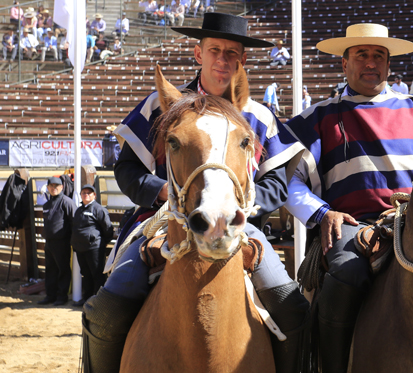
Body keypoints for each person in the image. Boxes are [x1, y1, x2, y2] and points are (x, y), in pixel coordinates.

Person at [82, 13, 309, 373]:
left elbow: (277, 185)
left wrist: (239, 206)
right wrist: (162, 194)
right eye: (214, 50)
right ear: (197, 53)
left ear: (243, 60)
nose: (223, 60)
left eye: (232, 53)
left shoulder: (259, 116)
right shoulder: (161, 106)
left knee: (291, 305)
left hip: (239, 226)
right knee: (105, 311)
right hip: (158, 225)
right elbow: (126, 169)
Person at [282, 23, 413, 373]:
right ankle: (326, 365)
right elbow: (285, 181)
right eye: (361, 55)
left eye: (378, 55)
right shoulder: (317, 117)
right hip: (352, 225)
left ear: (389, 65)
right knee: (348, 272)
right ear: (344, 64)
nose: (370, 63)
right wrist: (321, 215)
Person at [71, 184, 113, 308]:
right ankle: (87, 300)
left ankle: (99, 302)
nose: (86, 195)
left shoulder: (98, 209)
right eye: (84, 192)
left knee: (97, 274)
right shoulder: (79, 210)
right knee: (85, 274)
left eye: (89, 193)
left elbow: (108, 228)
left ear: (94, 195)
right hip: (80, 248)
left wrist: (102, 242)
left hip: (94, 248)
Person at [39, 177, 75, 306]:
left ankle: (62, 296)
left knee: (62, 269)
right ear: (48, 188)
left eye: (56, 186)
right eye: (51, 186)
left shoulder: (67, 202)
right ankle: (50, 295)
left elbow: (74, 222)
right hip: (49, 242)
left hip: (62, 242)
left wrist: (72, 240)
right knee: (50, 270)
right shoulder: (47, 204)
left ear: (61, 187)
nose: (54, 188)